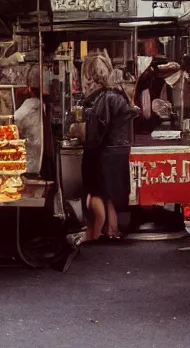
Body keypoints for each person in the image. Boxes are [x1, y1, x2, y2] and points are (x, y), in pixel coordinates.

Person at [79, 52, 133, 243]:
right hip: (117, 150)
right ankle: (112, 228)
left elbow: (95, 132)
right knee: (108, 194)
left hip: (105, 153)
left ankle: (96, 232)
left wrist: (81, 134)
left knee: (96, 192)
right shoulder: (116, 94)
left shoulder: (104, 98)